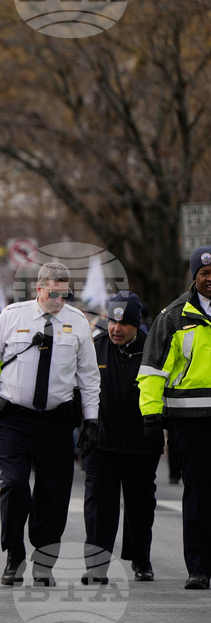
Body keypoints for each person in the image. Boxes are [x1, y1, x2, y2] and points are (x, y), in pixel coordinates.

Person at [0, 262, 101, 586]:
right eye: (53, 293)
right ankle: (14, 552)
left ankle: (44, 558)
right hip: (14, 419)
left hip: (56, 422)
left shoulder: (78, 322)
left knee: (53, 495)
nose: (59, 299)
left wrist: (91, 422)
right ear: (38, 289)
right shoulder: (13, 316)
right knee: (13, 484)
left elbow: (90, 378)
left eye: (64, 293)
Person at [137, 246, 211, 589]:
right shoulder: (175, 315)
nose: (210, 279)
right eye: (204, 273)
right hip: (191, 421)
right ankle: (198, 568)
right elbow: (151, 371)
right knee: (197, 493)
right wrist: (151, 417)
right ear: (194, 277)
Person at [81, 291, 160, 585]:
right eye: (113, 322)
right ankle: (97, 565)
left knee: (140, 505)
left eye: (124, 324)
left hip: (142, 443)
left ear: (136, 324)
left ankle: (141, 559)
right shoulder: (95, 347)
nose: (116, 329)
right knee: (100, 503)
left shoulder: (152, 349)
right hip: (102, 442)